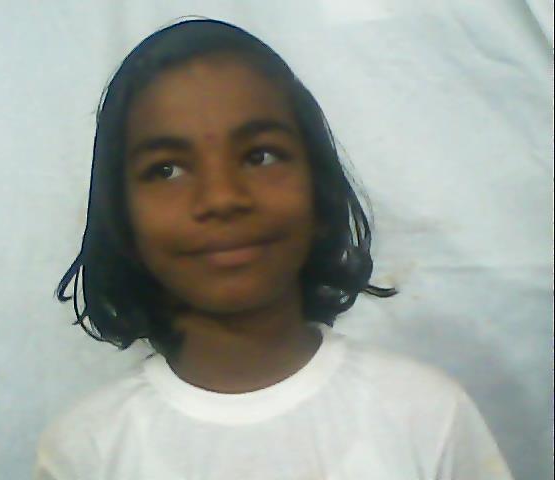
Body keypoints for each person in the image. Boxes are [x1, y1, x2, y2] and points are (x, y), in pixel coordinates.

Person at [33, 18, 514, 479]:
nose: (222, 197)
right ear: (121, 215)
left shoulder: (428, 418)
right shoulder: (86, 451)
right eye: (167, 170)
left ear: (318, 187)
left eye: (259, 156)